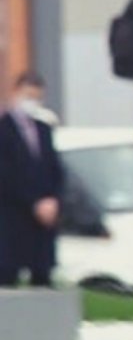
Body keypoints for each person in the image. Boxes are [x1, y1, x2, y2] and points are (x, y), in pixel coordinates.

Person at [0, 72, 64, 287]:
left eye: (37, 97)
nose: (32, 102)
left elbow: (54, 169)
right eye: (28, 96)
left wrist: (52, 199)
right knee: (8, 276)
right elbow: (7, 173)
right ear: (16, 93)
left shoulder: (43, 130)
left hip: (44, 219)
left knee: (42, 277)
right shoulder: (4, 130)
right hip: (13, 216)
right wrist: (34, 201)